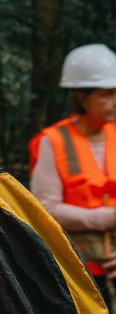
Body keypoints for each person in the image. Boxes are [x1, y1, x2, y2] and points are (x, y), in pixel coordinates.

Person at [30, 43, 116, 306]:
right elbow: (46, 210)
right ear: (81, 96)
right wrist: (108, 218)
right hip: (74, 269)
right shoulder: (53, 141)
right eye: (106, 94)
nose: (115, 101)